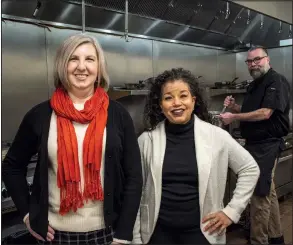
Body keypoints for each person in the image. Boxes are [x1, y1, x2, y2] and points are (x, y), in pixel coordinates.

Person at [2, 34, 142, 245]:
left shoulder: (118, 114)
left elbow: (134, 175)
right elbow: (12, 166)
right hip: (55, 235)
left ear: (99, 68)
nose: (81, 67)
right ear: (62, 65)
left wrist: (123, 234)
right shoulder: (40, 114)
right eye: (73, 59)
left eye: (89, 59)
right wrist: (29, 215)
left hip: (107, 235)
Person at [132, 68, 260, 244]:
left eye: (183, 96)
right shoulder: (146, 140)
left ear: (193, 100)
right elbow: (135, 191)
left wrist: (231, 211)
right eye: (168, 98)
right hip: (156, 234)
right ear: (161, 105)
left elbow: (250, 168)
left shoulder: (216, 136)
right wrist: (136, 237)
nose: (177, 103)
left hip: (202, 233)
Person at [220, 46, 290, 244]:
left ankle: (259, 241)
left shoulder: (276, 81)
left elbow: (265, 113)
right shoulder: (254, 84)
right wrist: (235, 108)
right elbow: (251, 111)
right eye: (249, 62)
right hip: (255, 144)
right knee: (268, 193)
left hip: (267, 145)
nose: (253, 64)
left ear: (267, 59)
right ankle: (276, 239)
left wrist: (233, 116)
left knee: (259, 196)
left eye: (257, 60)